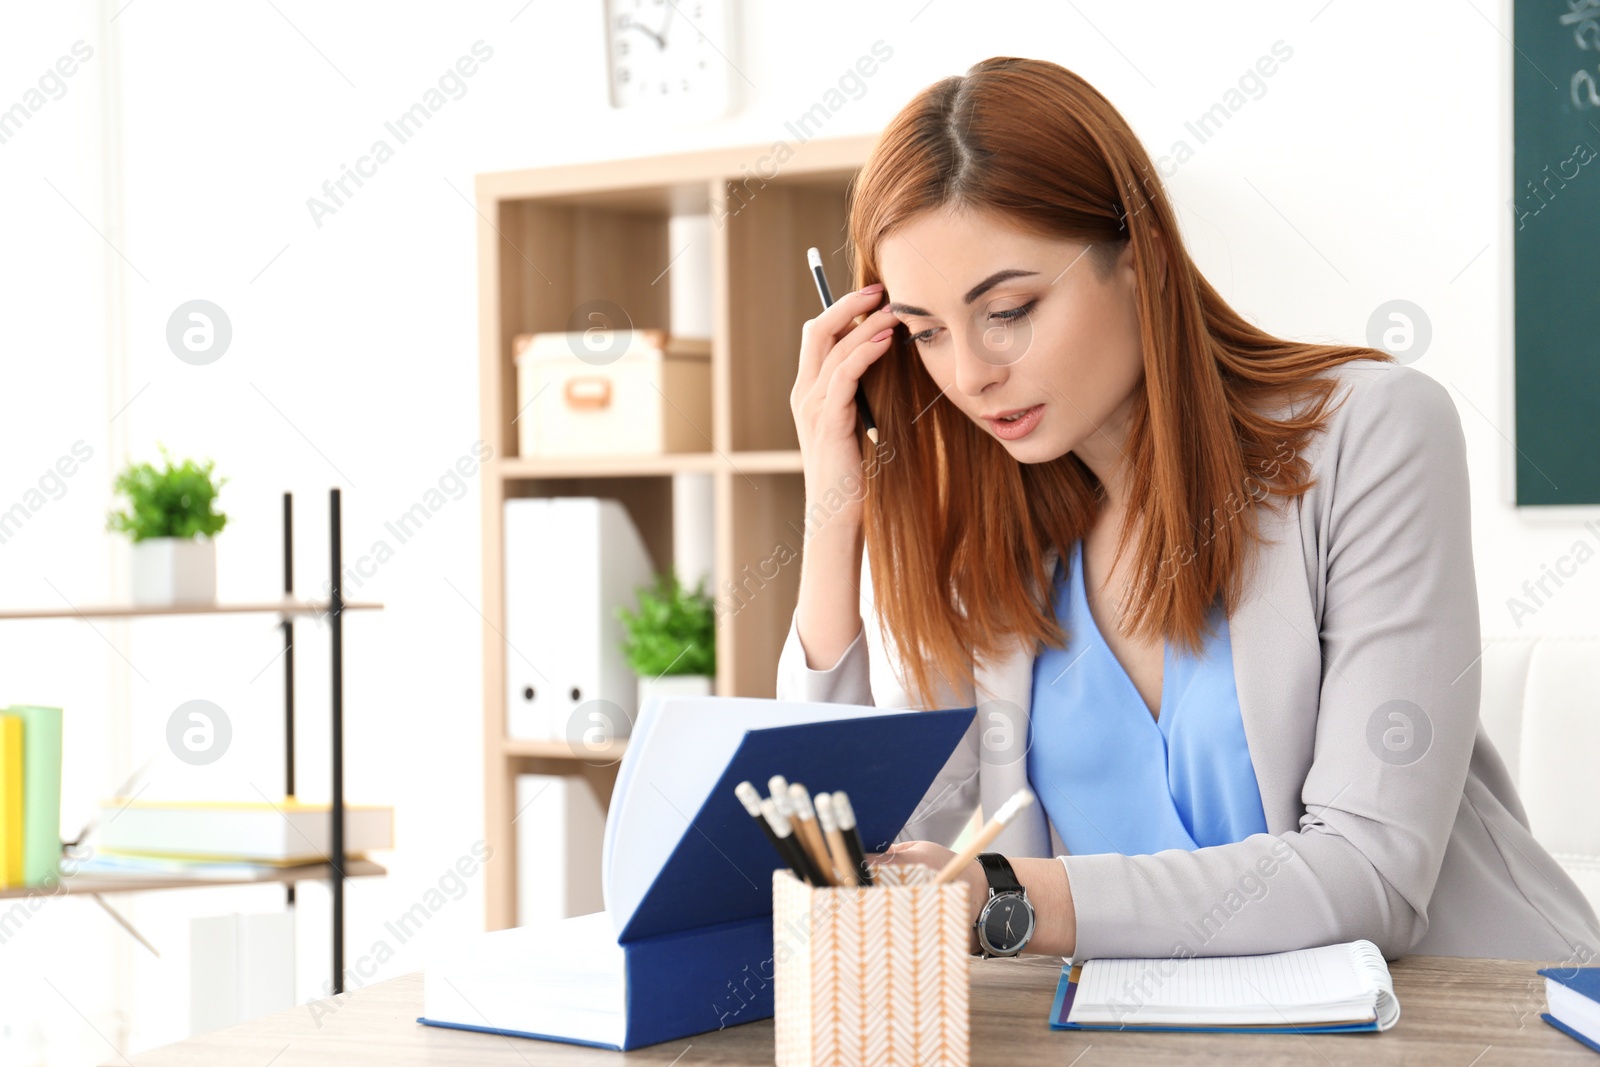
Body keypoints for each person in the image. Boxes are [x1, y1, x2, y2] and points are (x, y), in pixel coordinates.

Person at [777, 56, 1600, 963]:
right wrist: (834, 510)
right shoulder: (994, 538)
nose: (970, 373)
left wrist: (1015, 897)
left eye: (1007, 310)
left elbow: (1372, 876)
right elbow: (864, 854)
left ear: (1141, 260)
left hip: (1476, 1026)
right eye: (927, 331)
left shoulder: (1373, 432)